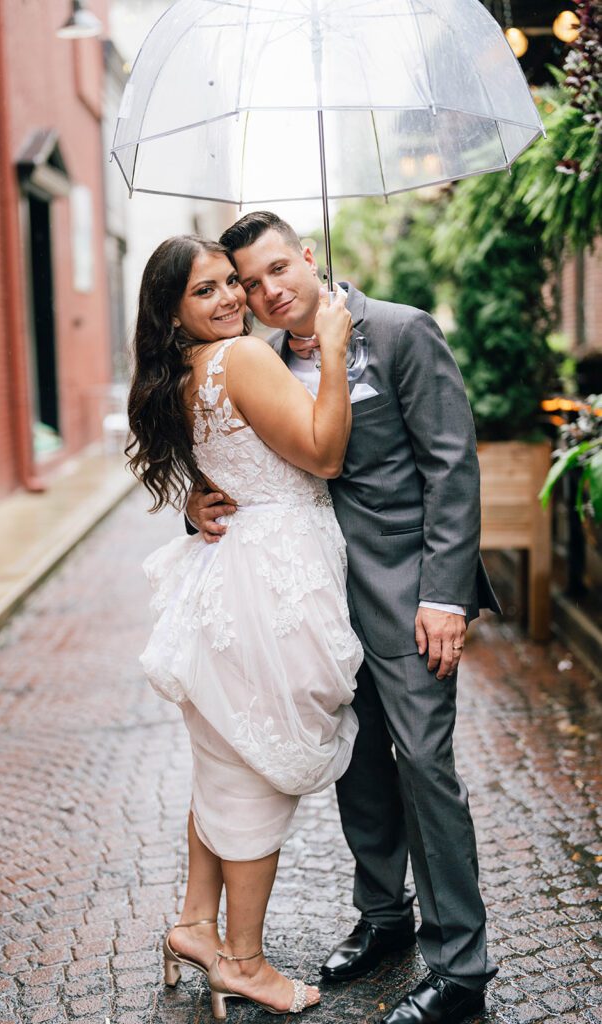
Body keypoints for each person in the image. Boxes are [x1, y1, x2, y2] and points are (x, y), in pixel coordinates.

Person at [187, 211, 501, 1024]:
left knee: (425, 769)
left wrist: (444, 595)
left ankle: (460, 968)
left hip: (407, 596)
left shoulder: (399, 332)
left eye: (279, 268)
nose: (268, 291)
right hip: (315, 601)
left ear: (309, 255)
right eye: (251, 282)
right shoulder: (258, 359)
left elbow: (449, 467)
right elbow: (254, 458)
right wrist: (199, 504)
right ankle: (385, 919)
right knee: (358, 769)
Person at [127, 234, 364, 1019]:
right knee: (259, 770)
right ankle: (245, 961)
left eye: (232, 282)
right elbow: (324, 455)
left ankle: (197, 924)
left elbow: (225, 464)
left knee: (225, 761)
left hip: (228, 574)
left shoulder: (183, 372)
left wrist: (199, 498)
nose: (232, 298)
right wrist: (330, 348)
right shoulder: (244, 360)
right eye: (207, 291)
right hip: (271, 580)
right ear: (171, 311)